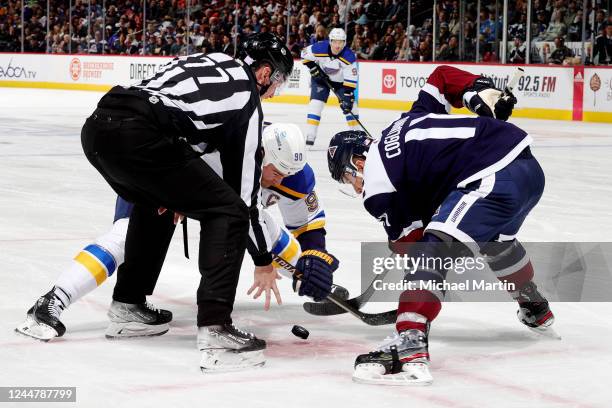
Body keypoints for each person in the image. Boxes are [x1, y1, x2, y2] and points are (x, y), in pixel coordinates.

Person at [75, 32, 329, 372]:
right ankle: (216, 327)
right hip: (141, 132)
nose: (275, 91)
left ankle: (127, 307)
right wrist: (264, 260)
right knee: (229, 212)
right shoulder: (247, 100)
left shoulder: (210, 61)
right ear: (265, 74)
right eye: (278, 82)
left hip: (99, 126)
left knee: (157, 204)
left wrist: (178, 190)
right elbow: (242, 198)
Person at [16, 123, 339, 362]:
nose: (280, 181)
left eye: (287, 174)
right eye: (275, 172)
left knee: (263, 227)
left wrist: (315, 261)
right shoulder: (220, 146)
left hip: (209, 198)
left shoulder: (293, 172)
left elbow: (305, 224)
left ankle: (321, 285)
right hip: (162, 181)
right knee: (126, 236)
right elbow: (171, 162)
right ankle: (52, 301)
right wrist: (175, 198)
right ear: (261, 153)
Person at [326, 65, 556, 385]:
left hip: (489, 177)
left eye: (348, 178)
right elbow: (443, 76)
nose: (354, 187)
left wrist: (404, 247)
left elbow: (417, 248)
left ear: (358, 163)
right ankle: (535, 307)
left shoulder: (376, 184)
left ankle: (409, 344)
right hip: (528, 170)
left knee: (432, 251)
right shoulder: (408, 121)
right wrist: (479, 94)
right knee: (497, 245)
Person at [301, 27, 359, 147]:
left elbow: (351, 80)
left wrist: (348, 96)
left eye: (341, 42)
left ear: (345, 43)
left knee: (351, 108)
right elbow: (304, 54)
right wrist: (313, 67)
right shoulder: (319, 48)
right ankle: (310, 136)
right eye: (335, 42)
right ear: (330, 41)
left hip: (341, 83)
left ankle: (357, 134)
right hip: (321, 79)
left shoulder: (349, 56)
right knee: (315, 105)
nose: (337, 46)